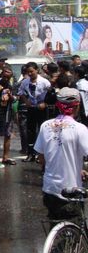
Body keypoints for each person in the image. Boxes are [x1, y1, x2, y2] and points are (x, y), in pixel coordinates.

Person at [35, 88, 88, 224]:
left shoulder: (45, 126)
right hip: (71, 190)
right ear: (77, 106)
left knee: (56, 225)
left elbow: (41, 158)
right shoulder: (80, 129)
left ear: (58, 106)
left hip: (50, 189)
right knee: (75, 228)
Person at [17, 61, 52, 162]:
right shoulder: (25, 82)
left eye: (32, 71)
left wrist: (45, 103)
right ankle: (30, 153)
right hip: (31, 108)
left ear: (37, 70)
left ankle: (42, 154)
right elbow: (20, 92)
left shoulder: (44, 82)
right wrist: (26, 101)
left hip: (42, 109)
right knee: (30, 131)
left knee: (42, 130)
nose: (30, 74)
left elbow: (51, 94)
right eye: (28, 72)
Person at [0, 65, 16, 165]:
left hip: (7, 113)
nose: (6, 77)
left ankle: (5, 158)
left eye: (8, 75)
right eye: (5, 75)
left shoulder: (11, 85)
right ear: (2, 74)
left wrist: (10, 96)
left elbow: (15, 98)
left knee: (7, 135)